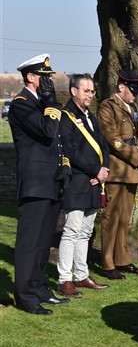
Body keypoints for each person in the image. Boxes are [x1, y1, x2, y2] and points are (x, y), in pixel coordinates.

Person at [8, 54, 71, 315]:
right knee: (29, 243)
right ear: (30, 77)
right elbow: (47, 130)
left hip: (52, 180)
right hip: (35, 183)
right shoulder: (22, 105)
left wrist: (64, 165)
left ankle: (40, 288)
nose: (48, 81)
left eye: (49, 77)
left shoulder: (41, 104)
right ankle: (25, 296)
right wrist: (52, 102)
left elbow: (58, 139)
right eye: (44, 77)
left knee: (44, 243)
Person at [57, 74, 110, 297]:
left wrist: (104, 169)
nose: (90, 95)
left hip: (95, 182)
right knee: (71, 231)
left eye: (92, 91)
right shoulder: (66, 117)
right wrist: (95, 170)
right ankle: (64, 279)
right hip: (78, 181)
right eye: (86, 91)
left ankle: (81, 275)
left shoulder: (91, 116)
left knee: (86, 232)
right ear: (74, 91)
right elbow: (71, 151)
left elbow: (103, 145)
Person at [98, 69, 138, 280]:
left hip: (132, 171)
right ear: (121, 87)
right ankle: (107, 262)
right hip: (118, 169)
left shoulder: (134, 109)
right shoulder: (107, 107)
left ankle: (121, 259)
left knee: (124, 217)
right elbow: (114, 140)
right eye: (133, 90)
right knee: (111, 217)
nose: (136, 94)